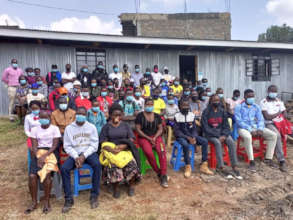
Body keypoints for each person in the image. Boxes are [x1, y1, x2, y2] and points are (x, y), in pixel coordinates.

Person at [61, 107, 101, 213]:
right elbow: (67, 146)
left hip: (89, 153)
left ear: (86, 116)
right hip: (75, 154)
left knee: (97, 165)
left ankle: (94, 195)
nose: (80, 116)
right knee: (64, 168)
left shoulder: (91, 127)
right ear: (75, 115)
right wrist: (76, 157)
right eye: (78, 113)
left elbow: (94, 145)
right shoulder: (69, 128)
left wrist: (84, 156)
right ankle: (69, 199)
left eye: (83, 114)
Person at [99, 104, 141, 198]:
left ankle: (131, 185)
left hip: (124, 150)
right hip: (112, 151)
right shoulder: (106, 127)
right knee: (113, 166)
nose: (117, 117)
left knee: (132, 164)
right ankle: (116, 187)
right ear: (110, 115)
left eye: (119, 115)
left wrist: (123, 146)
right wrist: (112, 150)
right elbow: (102, 142)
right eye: (115, 115)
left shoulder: (125, 125)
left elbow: (131, 138)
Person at [25, 111, 61, 214]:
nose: (43, 120)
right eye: (41, 118)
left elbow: (54, 145)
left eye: (45, 118)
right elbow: (34, 146)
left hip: (51, 153)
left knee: (46, 175)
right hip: (38, 152)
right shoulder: (35, 129)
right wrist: (39, 156)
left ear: (49, 118)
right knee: (32, 176)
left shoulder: (55, 129)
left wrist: (44, 156)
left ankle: (46, 202)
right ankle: (34, 202)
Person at [234, 89, 277, 172]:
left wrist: (260, 128)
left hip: (256, 127)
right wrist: (250, 130)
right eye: (249, 96)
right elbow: (239, 121)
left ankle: (268, 158)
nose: (251, 98)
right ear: (245, 97)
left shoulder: (256, 106)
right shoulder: (239, 107)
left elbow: (260, 119)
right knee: (248, 137)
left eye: (253, 96)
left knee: (273, 135)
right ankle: (251, 161)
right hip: (243, 128)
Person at [201, 94, 242, 179]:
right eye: (214, 100)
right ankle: (221, 167)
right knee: (217, 142)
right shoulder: (206, 112)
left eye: (217, 100)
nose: (216, 102)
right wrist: (217, 135)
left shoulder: (222, 111)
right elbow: (205, 128)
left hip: (222, 134)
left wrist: (224, 135)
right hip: (210, 134)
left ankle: (234, 165)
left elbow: (226, 126)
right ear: (210, 101)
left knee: (231, 141)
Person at [174, 99, 213, 178]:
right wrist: (188, 138)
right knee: (185, 144)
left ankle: (204, 165)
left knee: (204, 141)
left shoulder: (192, 115)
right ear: (180, 106)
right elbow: (177, 132)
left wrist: (194, 137)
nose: (185, 107)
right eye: (183, 105)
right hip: (181, 137)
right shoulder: (177, 116)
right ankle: (188, 166)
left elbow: (195, 129)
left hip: (191, 136)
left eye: (187, 105)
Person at [135, 98, 168, 188]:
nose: (149, 106)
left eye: (151, 104)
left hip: (156, 137)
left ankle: (164, 174)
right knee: (148, 153)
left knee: (162, 152)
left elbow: (160, 128)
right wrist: (149, 138)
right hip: (144, 137)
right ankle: (158, 172)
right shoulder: (140, 116)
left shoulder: (157, 116)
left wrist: (155, 137)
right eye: (148, 104)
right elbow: (138, 129)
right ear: (144, 105)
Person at [260, 85, 288, 172]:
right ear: (268, 91)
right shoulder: (263, 102)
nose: (274, 93)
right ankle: (281, 160)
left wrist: (281, 116)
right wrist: (278, 113)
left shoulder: (279, 101)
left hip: (280, 122)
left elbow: (285, 113)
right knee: (277, 136)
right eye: (272, 91)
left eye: (275, 91)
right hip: (269, 124)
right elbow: (267, 117)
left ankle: (277, 152)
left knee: (290, 130)